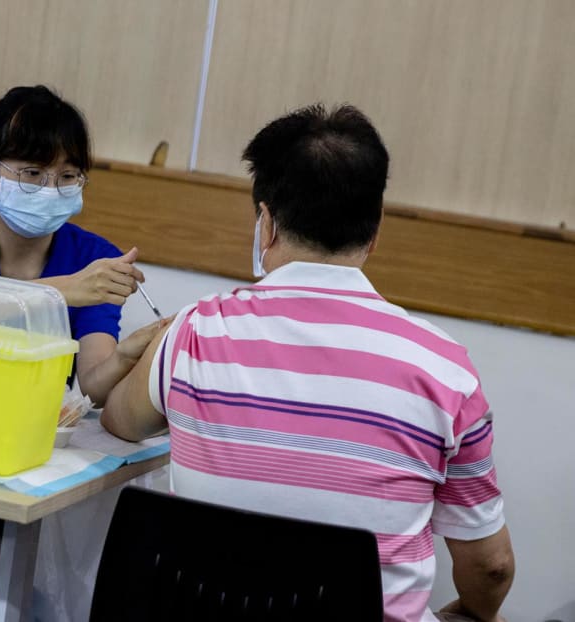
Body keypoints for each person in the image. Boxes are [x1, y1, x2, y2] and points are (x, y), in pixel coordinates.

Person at [101, 103, 515, 622]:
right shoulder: (444, 371)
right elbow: (492, 567)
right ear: (375, 227)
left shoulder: (194, 330)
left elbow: (119, 419)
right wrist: (475, 614)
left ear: (266, 223)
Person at [0, 85, 162, 405]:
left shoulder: (95, 259)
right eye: (33, 172)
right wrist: (61, 291)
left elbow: (92, 387)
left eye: (68, 176)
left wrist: (125, 356)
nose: (50, 189)